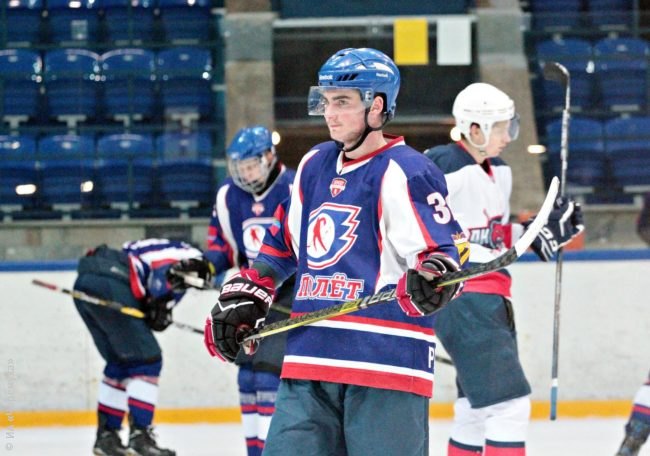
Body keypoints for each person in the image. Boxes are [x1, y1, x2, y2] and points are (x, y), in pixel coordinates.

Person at [204, 47, 470, 455]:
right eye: (325, 101)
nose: (329, 113)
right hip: (309, 357)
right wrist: (252, 291)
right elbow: (283, 244)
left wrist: (435, 278)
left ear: (376, 106)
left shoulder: (407, 170)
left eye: (342, 102)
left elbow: (446, 254)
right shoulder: (314, 164)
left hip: (385, 363)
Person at [424, 82, 584, 455]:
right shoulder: (442, 167)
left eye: (510, 126)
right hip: (463, 298)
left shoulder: (499, 170)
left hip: (492, 296)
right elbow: (419, 231)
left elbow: (493, 235)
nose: (508, 137)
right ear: (473, 128)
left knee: (474, 410)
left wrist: (539, 232)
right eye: (500, 128)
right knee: (508, 407)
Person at [73, 238, 214, 456]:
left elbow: (146, 278)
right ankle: (140, 437)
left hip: (86, 279)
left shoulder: (155, 246)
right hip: (112, 282)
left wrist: (156, 309)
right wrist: (160, 305)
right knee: (148, 361)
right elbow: (162, 280)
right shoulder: (192, 256)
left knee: (120, 363)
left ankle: (107, 437)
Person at [203, 125, 295, 456]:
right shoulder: (228, 195)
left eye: (251, 165)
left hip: (289, 296)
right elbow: (221, 246)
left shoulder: (295, 187)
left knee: (268, 376)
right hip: (251, 296)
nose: (245, 173)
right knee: (247, 377)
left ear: (269, 156)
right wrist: (206, 266)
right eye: (240, 167)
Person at [615, 371, 650, 456]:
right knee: (630, 446)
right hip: (642, 415)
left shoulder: (644, 389)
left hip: (640, 416)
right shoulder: (645, 390)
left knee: (630, 446)